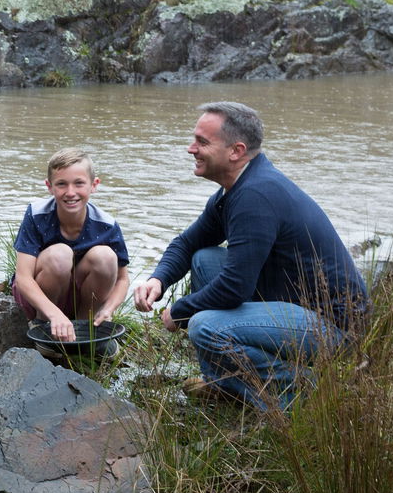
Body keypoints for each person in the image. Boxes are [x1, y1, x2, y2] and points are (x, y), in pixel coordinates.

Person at [132, 101, 367, 409]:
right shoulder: (238, 188)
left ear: (236, 151)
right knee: (204, 259)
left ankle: (299, 394)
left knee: (204, 325)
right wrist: (158, 279)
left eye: (202, 142)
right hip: (290, 305)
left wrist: (179, 312)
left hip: (332, 329)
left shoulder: (255, 195)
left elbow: (235, 287)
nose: (191, 149)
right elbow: (188, 242)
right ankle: (226, 383)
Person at [12, 147, 131, 343]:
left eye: (79, 183)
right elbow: (23, 277)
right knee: (60, 254)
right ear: (49, 187)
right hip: (39, 300)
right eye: (61, 184)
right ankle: (42, 327)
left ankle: (84, 327)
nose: (70, 192)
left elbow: (122, 280)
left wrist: (108, 309)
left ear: (94, 185)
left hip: (78, 296)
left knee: (106, 256)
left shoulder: (107, 225)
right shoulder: (36, 214)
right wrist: (53, 314)